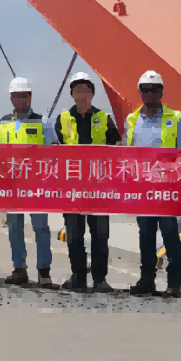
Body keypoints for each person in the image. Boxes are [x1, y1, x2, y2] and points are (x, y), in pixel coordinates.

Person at [125, 70, 181, 297]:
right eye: (146, 90)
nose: (150, 93)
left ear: (161, 92)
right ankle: (147, 280)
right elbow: (127, 153)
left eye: (155, 89)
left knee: (170, 233)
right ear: (140, 92)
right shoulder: (132, 120)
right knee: (146, 235)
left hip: (167, 188)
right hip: (143, 189)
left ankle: (174, 282)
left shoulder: (175, 118)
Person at [53, 72, 121, 292]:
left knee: (100, 235)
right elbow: (54, 151)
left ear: (92, 93)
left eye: (86, 90)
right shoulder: (62, 119)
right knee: (74, 235)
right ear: (72, 94)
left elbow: (117, 149)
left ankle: (100, 279)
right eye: (78, 90)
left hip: (99, 189)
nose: (82, 94)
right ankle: (78, 276)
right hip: (72, 189)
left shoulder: (104, 118)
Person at [0, 77, 56, 286]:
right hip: (12, 185)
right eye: (16, 96)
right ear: (11, 98)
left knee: (41, 228)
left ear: (30, 97)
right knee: (15, 228)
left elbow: (53, 152)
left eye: (24, 95)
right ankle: (19, 269)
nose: (20, 99)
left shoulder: (43, 122)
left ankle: (44, 271)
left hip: (36, 185)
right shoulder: (3, 122)